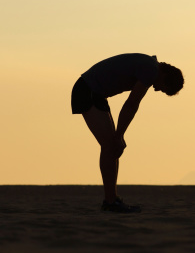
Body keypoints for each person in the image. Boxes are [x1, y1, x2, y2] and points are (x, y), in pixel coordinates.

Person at [71, 53, 184, 213]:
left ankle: (112, 199)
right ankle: (110, 202)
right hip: (86, 90)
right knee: (110, 146)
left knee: (113, 148)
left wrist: (119, 135)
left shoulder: (150, 66)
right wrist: (119, 135)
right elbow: (131, 104)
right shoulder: (150, 70)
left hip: (95, 93)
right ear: (165, 76)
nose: (157, 90)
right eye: (163, 88)